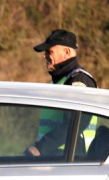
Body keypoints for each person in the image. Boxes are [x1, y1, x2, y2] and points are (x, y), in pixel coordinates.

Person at [28, 29, 97, 158]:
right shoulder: (61, 81)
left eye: (50, 51)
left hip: (71, 157)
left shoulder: (78, 81)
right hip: (58, 156)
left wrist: (41, 147)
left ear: (66, 52)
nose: (45, 56)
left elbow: (76, 123)